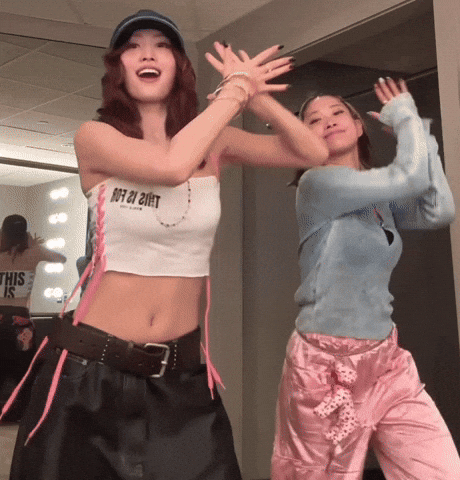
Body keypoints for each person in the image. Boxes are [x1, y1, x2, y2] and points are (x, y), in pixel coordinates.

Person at [1, 9, 329, 480]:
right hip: (90, 370)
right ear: (118, 67)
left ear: (179, 66)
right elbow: (172, 166)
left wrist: (258, 100)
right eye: (133, 46)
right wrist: (235, 92)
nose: (147, 54)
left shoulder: (214, 141)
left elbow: (312, 152)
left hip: (181, 377)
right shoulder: (95, 137)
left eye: (162, 46)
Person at [271, 78, 460, 479]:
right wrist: (407, 121)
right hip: (325, 368)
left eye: (337, 112)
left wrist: (418, 132)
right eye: (313, 120)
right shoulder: (316, 184)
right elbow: (409, 179)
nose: (328, 121)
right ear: (301, 140)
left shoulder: (378, 199)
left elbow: (439, 210)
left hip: (385, 362)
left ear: (359, 126)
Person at [0, 214, 66, 419]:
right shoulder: (34, 252)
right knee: (23, 369)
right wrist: (34, 244)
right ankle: (19, 412)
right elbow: (61, 258)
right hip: (21, 321)